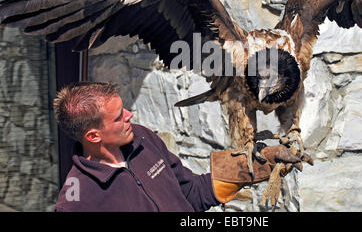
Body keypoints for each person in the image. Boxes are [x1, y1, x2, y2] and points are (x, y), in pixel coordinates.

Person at [53, 81, 300, 212]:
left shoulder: (142, 138)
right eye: (118, 117)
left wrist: (257, 164)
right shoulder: (76, 200)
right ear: (93, 136)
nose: (129, 115)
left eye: (124, 108)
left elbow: (191, 192)